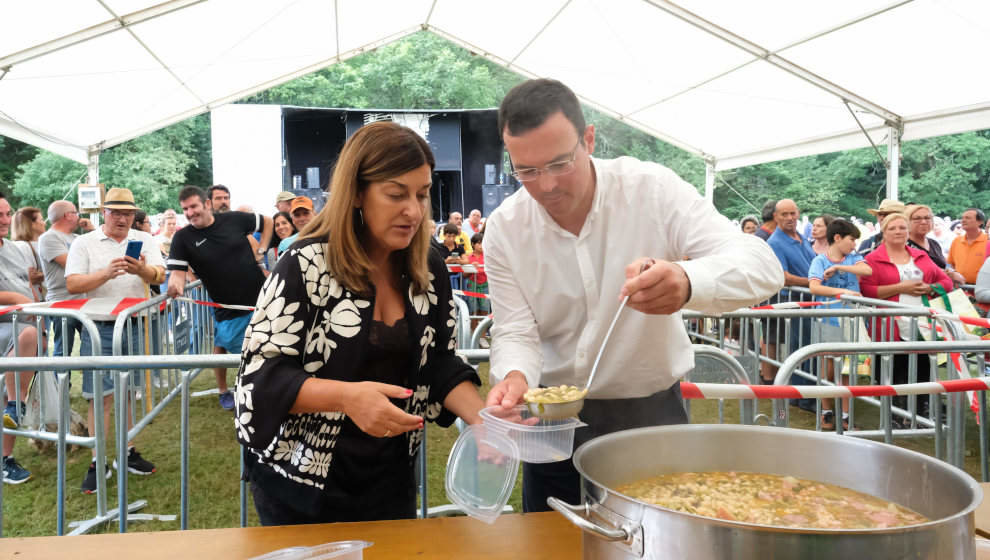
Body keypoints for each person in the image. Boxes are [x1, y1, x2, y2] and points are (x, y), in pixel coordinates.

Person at [483, 79, 783, 513]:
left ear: (588, 139)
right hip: (552, 420)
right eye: (526, 171)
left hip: (652, 412)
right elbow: (515, 328)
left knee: (659, 538)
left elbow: (761, 265)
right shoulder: (506, 227)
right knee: (553, 540)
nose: (545, 186)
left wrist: (686, 280)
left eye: (559, 163)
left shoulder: (652, 189)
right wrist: (514, 377)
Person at [235, 121, 484, 525]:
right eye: (396, 194)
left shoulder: (429, 267)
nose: (414, 210)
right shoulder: (304, 266)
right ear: (356, 194)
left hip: (389, 476)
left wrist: (484, 419)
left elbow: (438, 362)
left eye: (422, 195)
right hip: (301, 483)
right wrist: (348, 397)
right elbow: (259, 380)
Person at [65, 187, 162, 493]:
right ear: (103, 213)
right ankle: (98, 460)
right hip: (98, 327)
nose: (122, 218)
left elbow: (159, 275)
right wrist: (106, 274)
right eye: (116, 212)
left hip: (133, 326)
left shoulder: (144, 239)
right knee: (99, 396)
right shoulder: (85, 242)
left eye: (128, 213)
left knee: (130, 391)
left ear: (134, 215)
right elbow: (72, 283)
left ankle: (128, 451)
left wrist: (143, 269)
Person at [167, 186, 273, 411]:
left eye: (193, 206)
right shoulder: (182, 238)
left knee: (265, 350)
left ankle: (261, 394)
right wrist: (175, 285)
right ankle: (231, 392)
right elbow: (176, 273)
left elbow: (267, 221)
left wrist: (262, 249)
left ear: (206, 204)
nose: (189, 213)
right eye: (185, 209)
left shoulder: (234, 219)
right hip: (227, 309)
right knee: (241, 354)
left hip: (262, 301)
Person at [859, 213, 952, 426]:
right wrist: (900, 288)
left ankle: (919, 414)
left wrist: (930, 288)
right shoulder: (873, 259)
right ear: (883, 232)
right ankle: (893, 415)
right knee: (892, 370)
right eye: (893, 228)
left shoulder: (921, 256)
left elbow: (946, 281)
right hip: (888, 324)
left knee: (923, 369)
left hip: (922, 324)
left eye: (902, 227)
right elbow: (867, 290)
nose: (899, 232)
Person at [807, 218, 872, 430]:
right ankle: (826, 411)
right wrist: (841, 291)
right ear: (837, 238)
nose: (854, 244)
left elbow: (867, 271)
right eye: (852, 239)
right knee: (827, 369)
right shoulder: (819, 261)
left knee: (848, 369)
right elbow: (815, 287)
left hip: (851, 320)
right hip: (828, 319)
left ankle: (845, 416)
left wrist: (839, 267)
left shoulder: (855, 258)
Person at [0, 191, 42, 484]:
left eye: (6, 214)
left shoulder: (14, 248)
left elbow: (26, 281)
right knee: (8, 394)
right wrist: (15, 298)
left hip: (24, 324)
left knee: (7, 395)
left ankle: (7, 459)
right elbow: (17, 290)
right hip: (11, 326)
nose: (4, 220)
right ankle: (18, 404)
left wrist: (34, 300)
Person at [763, 199, 817, 397]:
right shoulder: (775, 242)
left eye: (792, 213)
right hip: (797, 301)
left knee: (810, 347)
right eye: (784, 214)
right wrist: (812, 282)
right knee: (801, 348)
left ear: (798, 213)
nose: (789, 218)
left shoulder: (802, 237)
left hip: (811, 300)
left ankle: (806, 392)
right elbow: (783, 277)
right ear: (775, 217)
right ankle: (801, 394)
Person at [38, 201, 87, 357]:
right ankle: (62, 382)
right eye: (76, 212)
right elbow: (72, 263)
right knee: (63, 350)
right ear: (68, 215)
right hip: (63, 302)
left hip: (83, 301)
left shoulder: (77, 237)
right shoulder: (48, 238)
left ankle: (90, 382)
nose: (79, 216)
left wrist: (92, 230)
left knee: (91, 347)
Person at [11, 206, 47, 301]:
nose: (45, 223)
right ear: (32, 224)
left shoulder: (39, 244)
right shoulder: (21, 246)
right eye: (42, 220)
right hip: (30, 300)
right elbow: (28, 277)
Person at [946, 208, 987, 285]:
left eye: (968, 218)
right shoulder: (957, 241)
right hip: (959, 288)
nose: (963, 220)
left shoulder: (987, 241)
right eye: (962, 218)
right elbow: (949, 264)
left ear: (980, 222)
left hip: (981, 289)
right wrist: (950, 272)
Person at [904, 204, 947, 270]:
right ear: (907, 222)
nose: (923, 222)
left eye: (927, 218)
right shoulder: (903, 246)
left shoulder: (934, 244)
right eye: (917, 218)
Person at [464, 233, 489, 319]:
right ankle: (474, 331)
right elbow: (464, 275)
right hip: (472, 287)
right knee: (473, 312)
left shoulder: (488, 256)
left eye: (483, 243)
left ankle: (482, 332)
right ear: (473, 244)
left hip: (485, 287)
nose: (481, 245)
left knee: (485, 312)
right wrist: (471, 269)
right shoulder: (468, 257)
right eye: (479, 243)